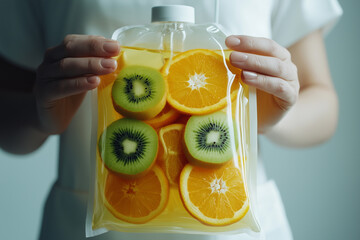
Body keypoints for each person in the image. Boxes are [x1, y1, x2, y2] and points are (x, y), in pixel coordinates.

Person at [0, 0, 342, 239]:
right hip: (90, 221)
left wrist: (267, 117)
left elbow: (323, 102)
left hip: (226, 212)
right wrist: (38, 115)